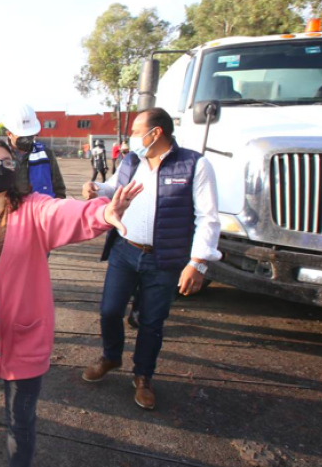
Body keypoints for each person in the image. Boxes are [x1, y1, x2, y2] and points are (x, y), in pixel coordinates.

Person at [0, 139, 140, 467]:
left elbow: (64, 212)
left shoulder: (33, 208)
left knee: (21, 418)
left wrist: (103, 212)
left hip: (26, 332)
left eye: (6, 161)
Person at [81, 107, 221, 411]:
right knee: (109, 310)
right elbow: (114, 187)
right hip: (125, 250)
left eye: (136, 130)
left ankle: (143, 376)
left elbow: (208, 218)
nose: (132, 136)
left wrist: (197, 263)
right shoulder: (132, 160)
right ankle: (111, 356)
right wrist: (96, 189)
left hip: (165, 259)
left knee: (152, 323)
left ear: (155, 132)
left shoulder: (195, 165)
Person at [1, 104, 66, 199]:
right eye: (23, 135)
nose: (27, 139)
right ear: (9, 134)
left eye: (30, 135)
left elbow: (59, 188)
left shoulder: (47, 154)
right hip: (11, 211)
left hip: (42, 210)